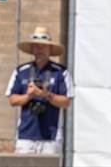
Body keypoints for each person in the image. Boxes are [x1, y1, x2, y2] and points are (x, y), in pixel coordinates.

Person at [5, 26, 74, 155]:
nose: (39, 50)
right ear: (32, 49)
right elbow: (12, 99)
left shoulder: (60, 72)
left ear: (50, 49)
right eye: (36, 46)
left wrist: (46, 95)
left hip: (51, 137)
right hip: (25, 136)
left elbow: (66, 102)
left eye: (43, 47)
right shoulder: (21, 71)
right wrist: (28, 96)